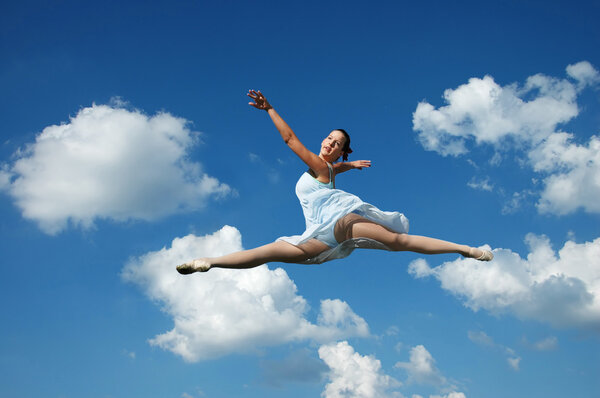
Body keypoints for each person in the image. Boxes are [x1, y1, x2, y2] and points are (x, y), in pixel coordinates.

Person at [177, 90, 493, 274]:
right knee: (270, 251)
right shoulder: (326, 171)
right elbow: (331, 173)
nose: (330, 143)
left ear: (339, 150)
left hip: (342, 222)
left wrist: (270, 109)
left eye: (337, 143)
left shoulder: (319, 166)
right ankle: (209, 262)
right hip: (319, 237)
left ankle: (467, 250)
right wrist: (350, 165)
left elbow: (289, 139)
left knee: (398, 243)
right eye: (329, 138)